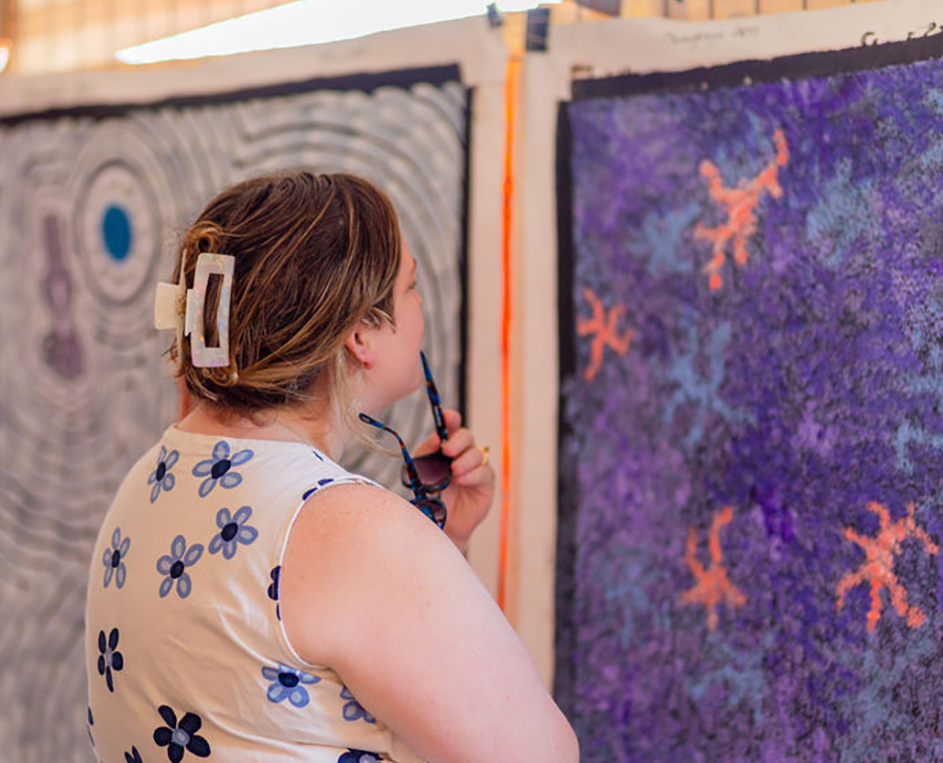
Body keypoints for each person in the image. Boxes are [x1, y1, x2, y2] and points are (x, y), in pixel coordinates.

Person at [84, 171, 579, 763]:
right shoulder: (346, 531)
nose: (420, 307)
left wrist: (438, 544)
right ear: (362, 335)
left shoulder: (145, 485)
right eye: (410, 289)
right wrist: (407, 550)